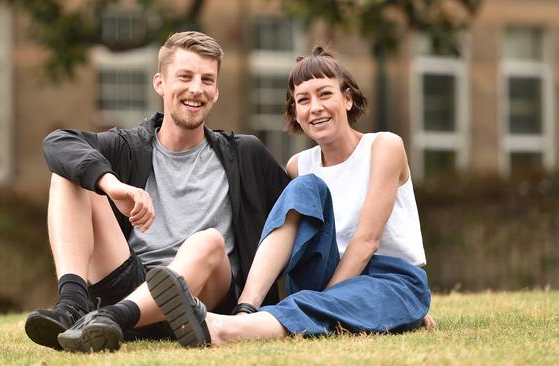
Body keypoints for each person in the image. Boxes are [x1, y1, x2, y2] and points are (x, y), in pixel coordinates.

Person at [147, 46, 434, 347]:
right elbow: (287, 237)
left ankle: (222, 328)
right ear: (296, 111)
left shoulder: (384, 147)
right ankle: (245, 309)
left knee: (327, 303)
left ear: (347, 99)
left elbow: (368, 241)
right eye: (303, 100)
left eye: (325, 94)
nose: (315, 108)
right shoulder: (299, 165)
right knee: (305, 187)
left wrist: (339, 302)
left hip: (387, 278)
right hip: (323, 276)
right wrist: (327, 302)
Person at [24, 31, 290, 352]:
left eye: (207, 80)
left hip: (198, 302)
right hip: (130, 280)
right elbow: (59, 142)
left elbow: (295, 213)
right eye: (185, 76)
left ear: (216, 91)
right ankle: (71, 305)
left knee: (208, 241)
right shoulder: (128, 147)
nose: (196, 88)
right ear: (160, 83)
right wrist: (112, 184)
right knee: (70, 175)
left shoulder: (245, 154)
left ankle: (110, 319)